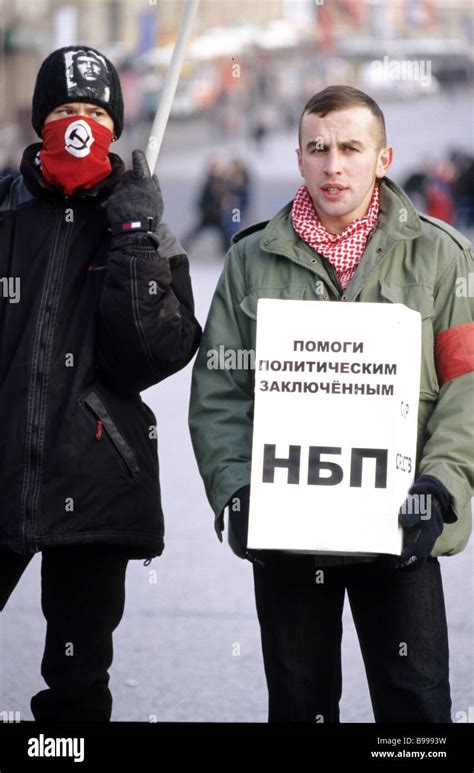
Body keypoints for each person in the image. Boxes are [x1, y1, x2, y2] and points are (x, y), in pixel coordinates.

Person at [189, 85, 473, 723]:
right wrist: (235, 490)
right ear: (298, 158)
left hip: (402, 529)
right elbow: (219, 392)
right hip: (290, 537)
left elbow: (468, 385)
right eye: (318, 148)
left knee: (417, 713)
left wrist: (442, 481)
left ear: (383, 157)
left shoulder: (443, 255)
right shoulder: (248, 261)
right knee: (300, 706)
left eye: (350, 147)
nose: (333, 164)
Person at [0, 45, 201, 721]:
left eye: (92, 111)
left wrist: (135, 236)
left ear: (113, 125)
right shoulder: (4, 211)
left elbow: (151, 354)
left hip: (92, 479)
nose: (78, 124)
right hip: (1, 470)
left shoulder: (141, 224)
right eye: (64, 110)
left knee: (77, 679)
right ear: (40, 120)